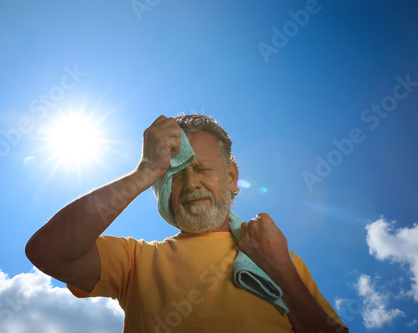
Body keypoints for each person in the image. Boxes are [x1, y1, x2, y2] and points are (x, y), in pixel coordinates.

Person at [26, 114, 349, 333]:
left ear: (232, 176)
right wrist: (146, 171)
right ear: (161, 188)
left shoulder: (284, 261)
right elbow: (47, 252)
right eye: (175, 175)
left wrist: (281, 268)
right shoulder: (135, 260)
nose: (191, 183)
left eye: (203, 168)